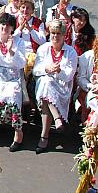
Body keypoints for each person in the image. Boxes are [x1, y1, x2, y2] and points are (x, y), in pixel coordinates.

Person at [33, 19, 78, 154]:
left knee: (46, 93)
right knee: (46, 83)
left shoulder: (71, 52)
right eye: (52, 33)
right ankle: (56, 119)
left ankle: (44, 137)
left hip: (62, 87)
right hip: (44, 84)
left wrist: (59, 71)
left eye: (58, 33)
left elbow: (69, 76)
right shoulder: (43, 49)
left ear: (64, 36)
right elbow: (35, 70)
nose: (55, 36)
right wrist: (46, 68)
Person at [0, 13, 26, 151]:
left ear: (12, 28)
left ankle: (18, 133)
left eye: (8, 26)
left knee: (13, 97)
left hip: (12, 76)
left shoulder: (19, 42)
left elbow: (21, 63)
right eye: (3, 25)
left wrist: (11, 50)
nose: (5, 28)